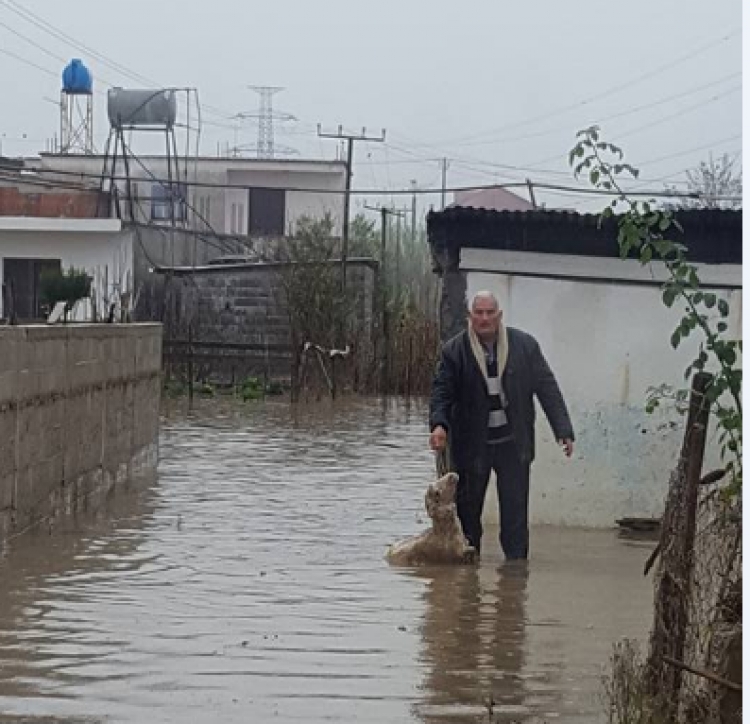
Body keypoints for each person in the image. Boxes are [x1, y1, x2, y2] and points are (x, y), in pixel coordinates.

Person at [429, 290, 574, 560]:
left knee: (515, 519)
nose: (485, 318)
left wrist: (563, 429)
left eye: (490, 312)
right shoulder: (454, 352)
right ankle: (467, 584)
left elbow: (547, 387)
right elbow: (441, 393)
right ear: (470, 317)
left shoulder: (524, 346)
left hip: (513, 445)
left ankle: (515, 582)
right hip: (472, 447)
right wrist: (439, 425)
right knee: (468, 517)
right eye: (479, 313)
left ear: (499, 316)